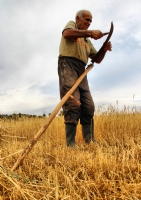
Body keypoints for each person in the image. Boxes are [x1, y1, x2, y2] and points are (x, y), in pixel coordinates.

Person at [58, 10, 112, 146]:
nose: (89, 23)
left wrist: (104, 49)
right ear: (78, 18)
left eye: (90, 21)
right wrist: (90, 32)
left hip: (82, 70)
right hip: (68, 65)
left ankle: (89, 140)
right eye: (87, 20)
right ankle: (70, 144)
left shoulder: (87, 42)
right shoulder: (72, 26)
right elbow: (66, 34)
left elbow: (97, 59)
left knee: (88, 106)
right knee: (72, 103)